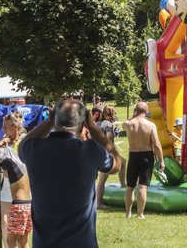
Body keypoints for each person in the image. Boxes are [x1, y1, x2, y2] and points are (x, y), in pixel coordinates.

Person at [19, 97, 121, 247]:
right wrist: (93, 127)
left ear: (54, 120)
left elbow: (23, 145)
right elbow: (117, 163)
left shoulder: (34, 150)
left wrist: (48, 122)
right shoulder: (91, 150)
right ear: (83, 124)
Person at [123, 102, 164, 219]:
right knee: (142, 186)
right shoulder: (151, 125)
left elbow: (127, 121)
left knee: (130, 186)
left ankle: (128, 213)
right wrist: (161, 161)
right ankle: (140, 214)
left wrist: (133, 115)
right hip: (146, 156)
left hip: (133, 155)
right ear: (146, 112)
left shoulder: (128, 124)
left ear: (135, 110)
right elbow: (156, 144)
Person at [0, 112, 29, 248]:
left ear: (16, 126)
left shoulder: (24, 142)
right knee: (4, 222)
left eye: (8, 127)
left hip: (22, 192)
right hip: (8, 188)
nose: (5, 130)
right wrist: (4, 142)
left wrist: (2, 143)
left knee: (20, 240)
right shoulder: (5, 145)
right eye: (3, 127)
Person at [96, 105, 127, 208]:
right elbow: (109, 138)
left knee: (123, 161)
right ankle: (99, 203)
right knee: (102, 180)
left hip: (99, 152)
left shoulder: (97, 124)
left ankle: (123, 184)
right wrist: (113, 153)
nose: (115, 114)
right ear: (111, 114)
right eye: (114, 113)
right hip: (106, 153)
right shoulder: (108, 124)